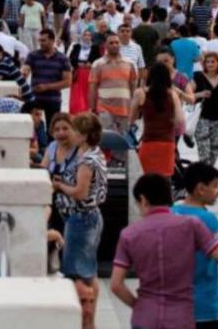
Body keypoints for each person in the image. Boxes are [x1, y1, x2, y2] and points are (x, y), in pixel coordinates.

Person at [109, 173, 218, 329]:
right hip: (181, 317)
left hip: (145, 317)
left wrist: (139, 306)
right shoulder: (191, 225)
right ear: (168, 196)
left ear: (143, 200)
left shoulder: (129, 234)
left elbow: (116, 285)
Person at [51, 113, 108, 285]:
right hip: (87, 217)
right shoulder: (95, 154)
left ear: (84, 136)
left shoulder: (87, 161)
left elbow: (80, 193)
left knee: (77, 271)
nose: (71, 135)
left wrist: (60, 186)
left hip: (81, 217)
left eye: (74, 131)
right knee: (86, 267)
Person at [172, 162, 218, 329]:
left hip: (175, 304)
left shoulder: (172, 212)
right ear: (201, 189)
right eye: (215, 186)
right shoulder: (209, 220)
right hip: (205, 304)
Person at [133, 63, 182, 177]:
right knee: (164, 178)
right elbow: (180, 120)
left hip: (148, 140)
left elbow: (132, 117)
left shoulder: (141, 93)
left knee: (146, 177)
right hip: (167, 142)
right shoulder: (172, 95)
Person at [88, 33, 137, 134]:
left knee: (122, 143)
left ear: (120, 45)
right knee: (104, 140)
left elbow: (133, 86)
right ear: (105, 45)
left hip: (124, 108)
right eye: (111, 43)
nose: (114, 45)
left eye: (116, 43)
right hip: (104, 108)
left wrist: (133, 107)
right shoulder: (98, 64)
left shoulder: (130, 63)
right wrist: (92, 108)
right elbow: (92, 87)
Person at [192, 52, 218, 167]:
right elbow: (188, 95)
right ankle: (205, 175)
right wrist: (200, 94)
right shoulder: (198, 76)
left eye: (213, 61)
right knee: (204, 150)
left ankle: (208, 173)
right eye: (207, 62)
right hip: (202, 118)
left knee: (215, 149)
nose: (210, 64)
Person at [27, 28, 72, 124]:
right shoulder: (33, 55)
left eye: (43, 40)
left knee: (52, 129)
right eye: (39, 40)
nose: (41, 43)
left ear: (52, 41)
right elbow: (25, 69)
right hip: (35, 99)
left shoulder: (62, 59)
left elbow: (68, 82)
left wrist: (47, 87)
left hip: (53, 100)